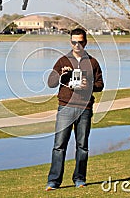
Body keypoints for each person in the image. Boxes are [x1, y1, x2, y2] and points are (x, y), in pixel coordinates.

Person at [46, 28, 104, 191]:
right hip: (65, 107)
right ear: (70, 42)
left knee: (82, 146)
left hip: (84, 108)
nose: (77, 45)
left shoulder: (92, 62)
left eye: (80, 42)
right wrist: (60, 75)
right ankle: (53, 181)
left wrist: (90, 85)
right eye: (73, 42)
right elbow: (50, 83)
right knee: (59, 146)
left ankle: (80, 179)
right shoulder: (62, 60)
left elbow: (100, 85)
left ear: (85, 42)